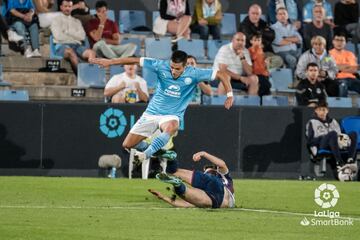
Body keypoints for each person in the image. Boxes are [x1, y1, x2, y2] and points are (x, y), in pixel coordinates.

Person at [90, 50, 233, 162]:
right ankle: (161, 153)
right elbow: (134, 60)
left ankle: (146, 155)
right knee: (127, 145)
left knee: (171, 127)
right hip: (152, 113)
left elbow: (222, 74)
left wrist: (229, 95)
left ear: (185, 66)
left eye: (177, 69)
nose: (173, 71)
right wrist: (110, 61)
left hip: (171, 115)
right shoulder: (160, 65)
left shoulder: (194, 73)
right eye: (172, 67)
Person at [149, 151, 235, 208]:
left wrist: (203, 154)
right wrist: (163, 197)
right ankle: (177, 183)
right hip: (216, 199)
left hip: (215, 192)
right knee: (184, 191)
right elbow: (188, 203)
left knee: (173, 172)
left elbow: (222, 164)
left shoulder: (220, 176)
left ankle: (172, 159)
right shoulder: (225, 178)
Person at [305, 101, 358, 177]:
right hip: (321, 145)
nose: (322, 112)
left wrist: (343, 139)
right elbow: (309, 141)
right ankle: (339, 162)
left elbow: (341, 135)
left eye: (324, 110)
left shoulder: (333, 121)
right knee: (332, 134)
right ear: (316, 110)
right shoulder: (312, 122)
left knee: (353, 134)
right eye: (320, 110)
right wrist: (322, 138)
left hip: (336, 144)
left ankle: (350, 160)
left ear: (327, 110)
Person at [51, 0, 95, 74]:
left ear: (72, 7)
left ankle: (91, 74)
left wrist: (67, 32)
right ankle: (83, 76)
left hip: (77, 46)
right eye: (65, 6)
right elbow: (58, 37)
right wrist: (74, 37)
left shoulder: (77, 21)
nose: (67, 8)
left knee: (91, 53)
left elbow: (82, 36)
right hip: (62, 46)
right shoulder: (56, 20)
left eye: (69, 6)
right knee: (70, 52)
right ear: (61, 7)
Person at [238, 4, 283, 69]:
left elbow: (272, 35)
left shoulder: (263, 23)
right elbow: (252, 40)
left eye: (257, 14)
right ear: (249, 13)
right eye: (253, 13)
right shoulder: (244, 25)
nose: (255, 16)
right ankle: (262, 69)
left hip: (265, 52)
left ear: (260, 14)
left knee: (279, 60)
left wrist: (263, 41)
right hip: (252, 54)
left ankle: (261, 68)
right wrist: (264, 34)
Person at [271, 7, 302, 72]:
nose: (282, 16)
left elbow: (299, 39)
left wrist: (285, 38)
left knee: (303, 58)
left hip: (294, 51)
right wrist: (293, 41)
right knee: (292, 59)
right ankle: (290, 79)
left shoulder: (291, 27)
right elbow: (280, 42)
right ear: (276, 16)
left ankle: (299, 77)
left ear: (287, 16)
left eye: (284, 14)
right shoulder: (273, 28)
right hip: (281, 52)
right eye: (280, 14)